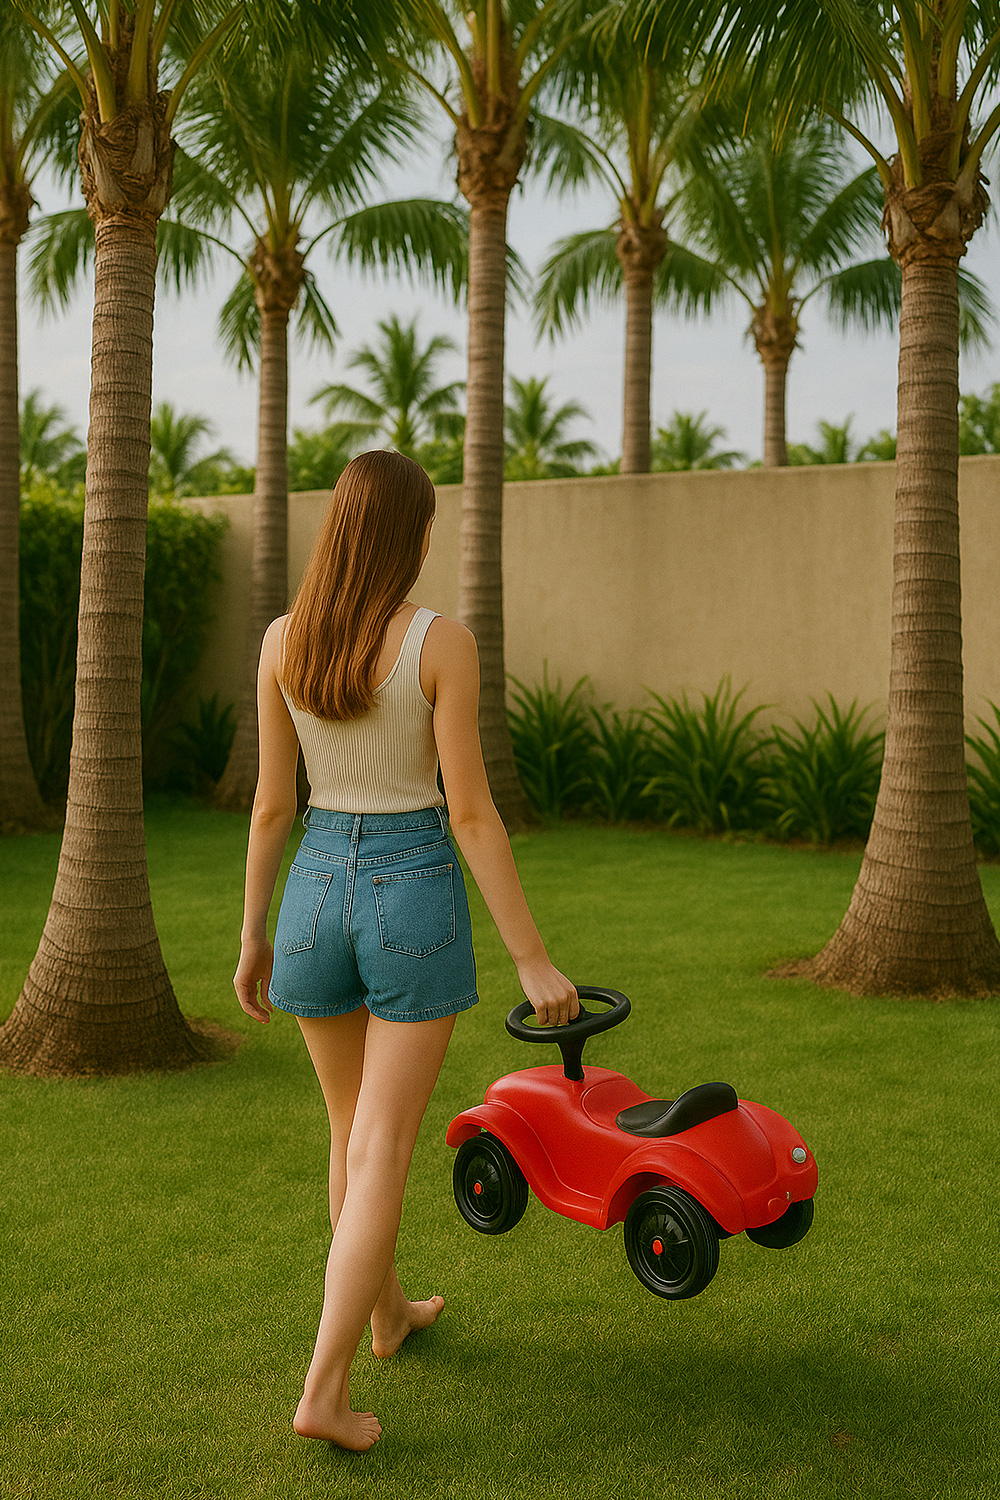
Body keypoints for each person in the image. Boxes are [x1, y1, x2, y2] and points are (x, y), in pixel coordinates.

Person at [233, 450, 578, 1453]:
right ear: (409, 535)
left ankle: (385, 1316)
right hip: (406, 885)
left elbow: (268, 808)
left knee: (352, 1135)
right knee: (380, 1146)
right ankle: (324, 1391)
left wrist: (253, 935)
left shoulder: (280, 642)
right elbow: (469, 813)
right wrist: (530, 958)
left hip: (310, 889)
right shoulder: (441, 643)